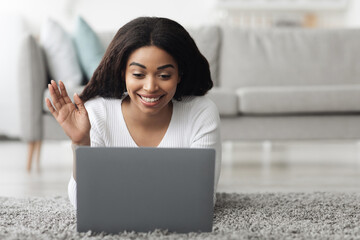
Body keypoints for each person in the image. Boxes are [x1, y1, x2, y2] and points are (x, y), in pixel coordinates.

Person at [46, 17, 221, 209]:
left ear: (179, 75)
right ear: (123, 73)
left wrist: (117, 195)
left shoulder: (201, 113)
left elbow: (202, 200)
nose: (150, 87)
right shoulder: (96, 113)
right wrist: (81, 144)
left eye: (164, 76)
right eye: (138, 74)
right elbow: (83, 202)